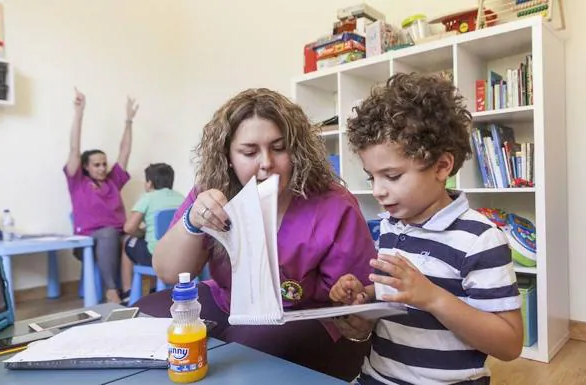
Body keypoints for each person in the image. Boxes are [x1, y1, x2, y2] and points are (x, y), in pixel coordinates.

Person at [134, 88, 376, 380]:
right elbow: (170, 272)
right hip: (228, 300)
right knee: (142, 317)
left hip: (304, 315)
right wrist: (192, 221)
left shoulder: (333, 204)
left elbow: (356, 300)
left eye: (279, 147)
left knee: (245, 353)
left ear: (296, 149)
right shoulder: (212, 191)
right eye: (249, 152)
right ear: (228, 156)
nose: (266, 163)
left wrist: (351, 302)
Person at [329, 73, 524, 385]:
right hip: (378, 377)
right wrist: (362, 301)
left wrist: (432, 298)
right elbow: (395, 300)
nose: (378, 190)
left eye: (391, 176)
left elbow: (510, 343)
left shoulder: (480, 239)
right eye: (371, 177)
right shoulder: (392, 227)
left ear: (442, 166)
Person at [64, 88, 139, 304]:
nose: (102, 167)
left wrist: (128, 120)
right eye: (97, 164)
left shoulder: (112, 180)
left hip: (116, 236)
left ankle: (129, 291)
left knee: (135, 237)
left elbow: (125, 151)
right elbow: (74, 148)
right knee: (108, 234)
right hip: (88, 239)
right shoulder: (77, 181)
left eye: (104, 163)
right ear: (86, 167)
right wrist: (79, 112)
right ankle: (111, 290)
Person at [120, 163, 184, 300]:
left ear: (149, 183)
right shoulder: (181, 198)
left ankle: (127, 290)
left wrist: (141, 233)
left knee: (128, 241)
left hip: (155, 256)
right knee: (144, 243)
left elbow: (129, 228)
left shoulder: (148, 198)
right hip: (179, 254)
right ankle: (152, 287)